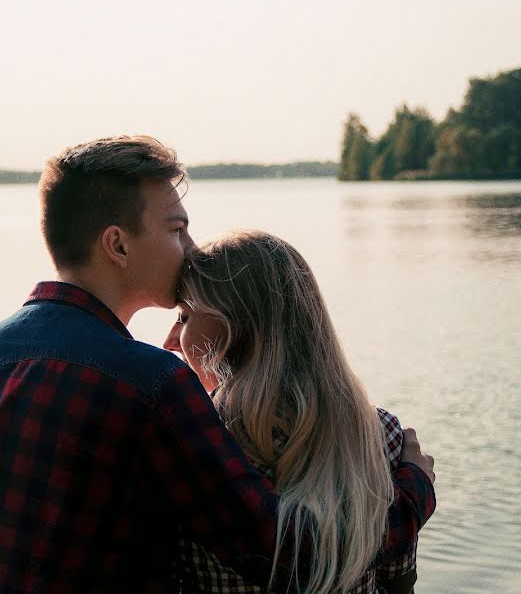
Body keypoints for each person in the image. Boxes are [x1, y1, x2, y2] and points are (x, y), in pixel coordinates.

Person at [0, 136, 436, 592]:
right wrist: (413, 489)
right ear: (116, 244)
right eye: (176, 229)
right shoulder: (150, 384)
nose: (190, 250)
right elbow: (288, 559)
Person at [164, 230, 434, 594]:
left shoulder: (194, 447)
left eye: (183, 317)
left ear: (232, 328)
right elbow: (399, 583)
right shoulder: (382, 434)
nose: (169, 341)